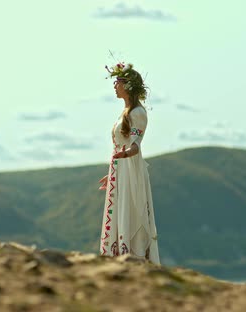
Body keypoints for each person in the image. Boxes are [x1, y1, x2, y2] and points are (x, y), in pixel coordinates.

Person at [98, 62, 160, 265]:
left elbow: (135, 145)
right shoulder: (125, 113)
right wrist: (113, 172)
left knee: (130, 213)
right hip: (121, 171)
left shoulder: (138, 113)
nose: (115, 86)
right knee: (119, 213)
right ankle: (117, 256)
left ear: (128, 86)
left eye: (118, 82)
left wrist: (125, 157)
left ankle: (133, 257)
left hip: (130, 171)